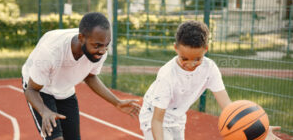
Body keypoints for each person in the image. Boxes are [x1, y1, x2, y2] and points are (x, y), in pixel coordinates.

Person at [138, 20, 281, 140]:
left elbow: (227, 106)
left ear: (205, 49)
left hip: (178, 117)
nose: (190, 64)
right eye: (184, 59)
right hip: (154, 117)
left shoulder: (210, 68)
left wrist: (259, 129)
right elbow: (157, 120)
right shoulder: (167, 75)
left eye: (197, 59)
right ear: (176, 48)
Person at [22, 12, 140, 140]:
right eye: (97, 46)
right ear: (81, 38)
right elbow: (31, 90)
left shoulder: (99, 49)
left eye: (107, 45)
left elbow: (90, 76)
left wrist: (117, 102)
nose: (102, 51)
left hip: (65, 90)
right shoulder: (50, 52)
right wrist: (44, 111)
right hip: (41, 89)